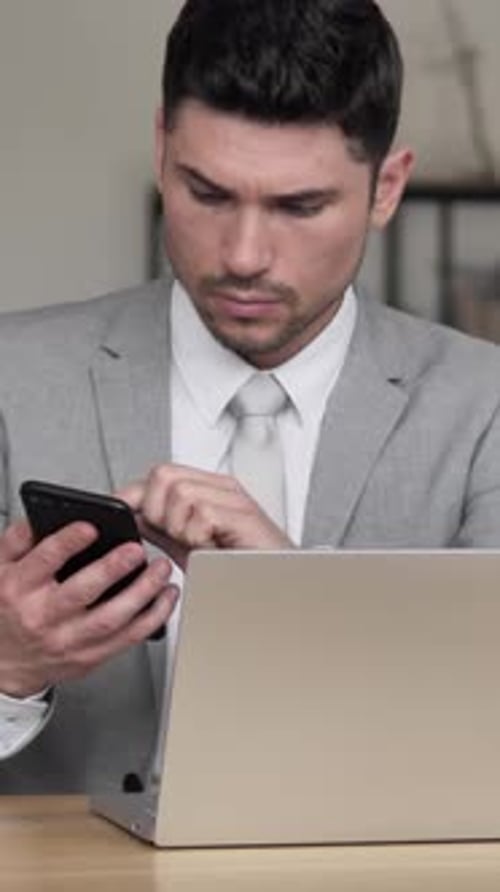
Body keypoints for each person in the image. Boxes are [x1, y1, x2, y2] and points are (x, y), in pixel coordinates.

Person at [1, 0, 500, 793]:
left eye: (300, 207)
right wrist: (8, 667)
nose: (243, 255)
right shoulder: (9, 383)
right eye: (207, 193)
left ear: (386, 187)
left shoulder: (486, 411)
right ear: (163, 150)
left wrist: (290, 600)